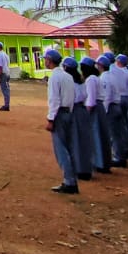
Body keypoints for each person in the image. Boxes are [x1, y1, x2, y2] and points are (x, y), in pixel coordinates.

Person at [43, 48, 78, 193]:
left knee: (61, 149)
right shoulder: (67, 76)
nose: (44, 61)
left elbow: (54, 100)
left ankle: (69, 181)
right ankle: (72, 179)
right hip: (69, 112)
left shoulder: (54, 77)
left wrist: (51, 119)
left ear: (49, 61)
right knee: (69, 147)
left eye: (45, 59)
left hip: (59, 114)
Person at [66, 56, 93, 181]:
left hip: (75, 110)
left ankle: (79, 169)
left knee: (76, 140)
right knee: (84, 140)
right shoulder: (82, 81)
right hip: (82, 110)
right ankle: (86, 167)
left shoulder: (70, 82)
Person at [0, 41, 11, 111]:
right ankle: (7, 104)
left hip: (3, 74)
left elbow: (0, 66)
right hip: (7, 73)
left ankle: (6, 105)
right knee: (7, 89)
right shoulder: (5, 54)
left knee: (4, 90)